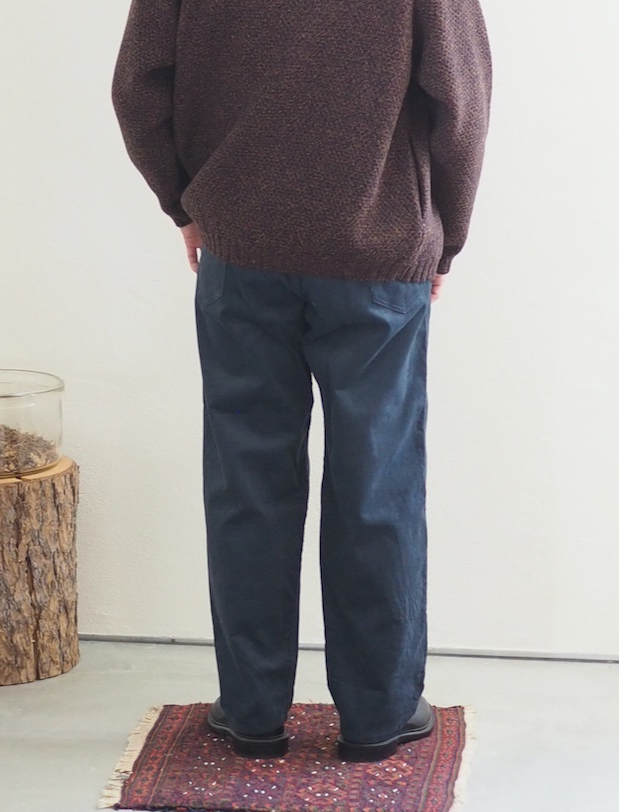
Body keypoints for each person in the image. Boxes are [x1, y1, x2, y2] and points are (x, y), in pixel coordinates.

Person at [112, 0, 492, 763]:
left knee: (247, 482)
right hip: (379, 256)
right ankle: (379, 714)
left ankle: (252, 712)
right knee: (376, 484)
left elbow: (138, 85)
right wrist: (444, 238)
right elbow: (462, 101)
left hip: (241, 249)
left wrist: (184, 204)